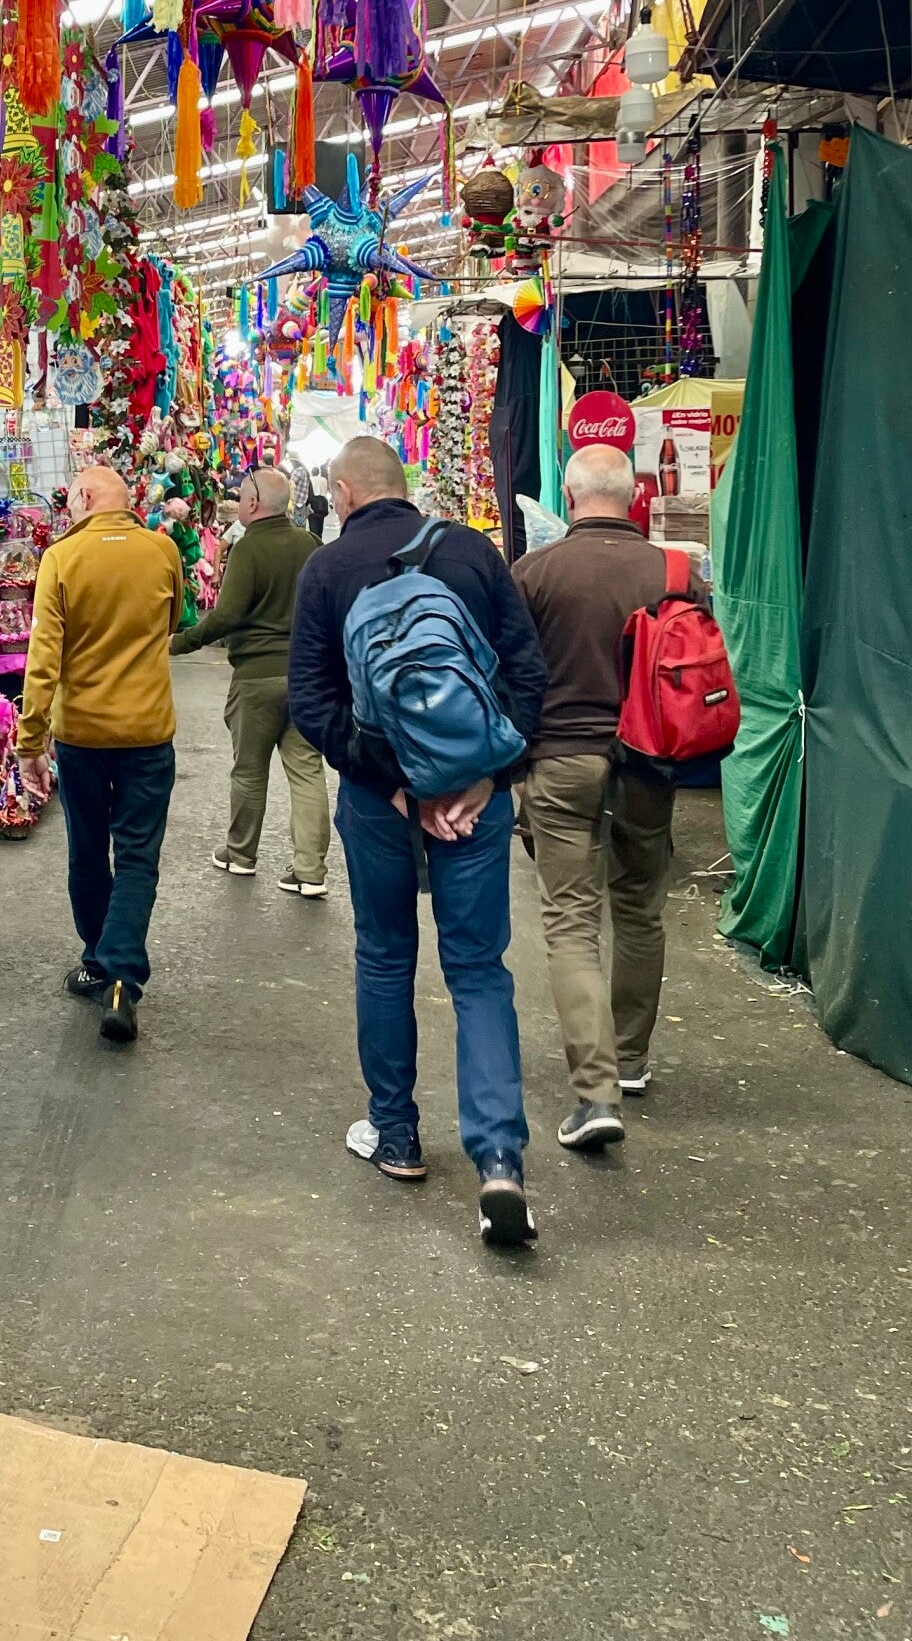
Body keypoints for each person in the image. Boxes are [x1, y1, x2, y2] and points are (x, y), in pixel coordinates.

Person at [288, 437, 549, 1247]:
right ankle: (499, 1159)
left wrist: (396, 784)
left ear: (343, 493)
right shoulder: (472, 554)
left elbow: (312, 703)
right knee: (478, 971)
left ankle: (395, 1134)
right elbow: (527, 676)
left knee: (384, 956)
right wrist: (487, 781)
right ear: (404, 488)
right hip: (477, 800)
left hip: (379, 802)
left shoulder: (326, 570)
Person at [512, 443, 682, 1154]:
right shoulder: (674, 572)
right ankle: (633, 1058)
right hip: (648, 764)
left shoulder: (533, 573)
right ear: (636, 493)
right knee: (639, 908)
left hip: (561, 762)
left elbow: (510, 677)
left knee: (572, 922)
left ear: (570, 497)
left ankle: (596, 1092)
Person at [17, 465, 182, 1046]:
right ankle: (121, 979)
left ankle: (98, 960)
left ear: (85, 496)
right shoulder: (162, 551)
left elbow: (44, 658)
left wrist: (30, 740)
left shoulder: (61, 558)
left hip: (83, 735)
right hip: (148, 731)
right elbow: (170, 624)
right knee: (138, 857)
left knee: (87, 851)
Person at [170, 468, 330, 893]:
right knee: (307, 771)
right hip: (304, 677)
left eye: (241, 497)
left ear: (254, 503)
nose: (238, 503)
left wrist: (181, 642)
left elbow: (227, 614)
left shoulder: (248, 548)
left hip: (257, 678)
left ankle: (241, 854)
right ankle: (310, 871)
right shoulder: (310, 544)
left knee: (249, 771)